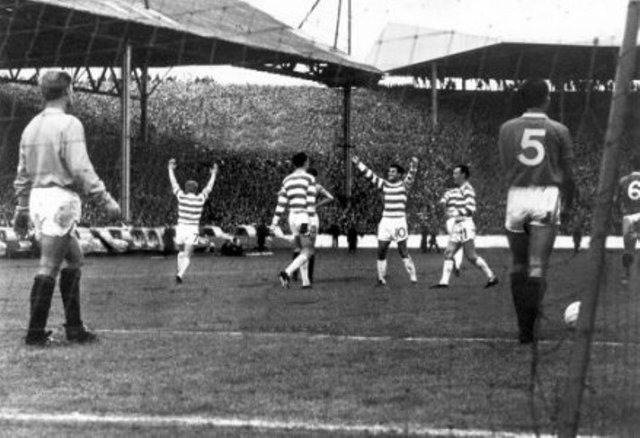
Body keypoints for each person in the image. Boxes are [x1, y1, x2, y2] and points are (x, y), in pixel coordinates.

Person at [13, 70, 121, 346]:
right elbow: (80, 167)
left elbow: (22, 174)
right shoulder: (69, 124)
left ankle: (74, 328)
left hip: (38, 199)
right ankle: (35, 334)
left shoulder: (30, 127)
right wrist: (105, 198)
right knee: (49, 264)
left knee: (75, 257)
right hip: (59, 199)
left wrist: (22, 208)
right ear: (68, 91)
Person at [498, 78, 576, 344]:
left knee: (517, 264)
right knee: (537, 265)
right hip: (545, 196)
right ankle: (533, 325)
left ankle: (524, 331)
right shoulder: (559, 129)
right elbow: (568, 174)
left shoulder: (506, 128)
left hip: (516, 196)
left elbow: (507, 163)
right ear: (547, 98)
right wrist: (571, 200)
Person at [352, 154, 418, 285]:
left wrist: (414, 165)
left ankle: (413, 276)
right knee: (381, 249)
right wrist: (359, 164)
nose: (390, 173)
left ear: (400, 175)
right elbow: (370, 175)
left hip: (399, 221)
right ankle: (381, 278)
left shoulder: (405, 185)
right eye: (389, 171)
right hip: (386, 221)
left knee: (402, 250)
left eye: (393, 172)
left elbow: (412, 174)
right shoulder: (384, 184)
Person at [432, 166, 498, 289]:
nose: (453, 176)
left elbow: (471, 209)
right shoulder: (459, 189)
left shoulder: (468, 189)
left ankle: (492, 277)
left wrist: (454, 213)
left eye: (456, 173)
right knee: (448, 253)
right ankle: (443, 283)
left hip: (465, 225)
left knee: (471, 256)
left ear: (463, 175)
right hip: (458, 225)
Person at [168, 158, 218, 283]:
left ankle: (179, 272)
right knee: (188, 254)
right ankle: (180, 274)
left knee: (180, 251)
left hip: (181, 227)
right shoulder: (200, 199)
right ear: (196, 189)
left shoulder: (182, 197)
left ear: (186, 188)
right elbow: (209, 188)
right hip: (192, 229)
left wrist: (170, 169)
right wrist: (213, 175)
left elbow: (174, 183)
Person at [271, 152, 316, 289]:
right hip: (303, 217)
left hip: (292, 218)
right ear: (305, 162)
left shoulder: (287, 180)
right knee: (308, 251)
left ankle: (305, 282)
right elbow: (310, 202)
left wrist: (274, 222)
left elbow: (281, 202)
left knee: (301, 249)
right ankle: (286, 273)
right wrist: (312, 222)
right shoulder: (309, 178)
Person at [617, 162, 640, 282]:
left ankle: (625, 275)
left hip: (629, 216)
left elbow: (617, 200)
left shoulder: (623, 180)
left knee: (628, 249)